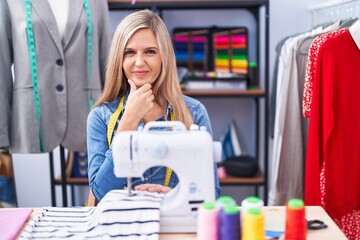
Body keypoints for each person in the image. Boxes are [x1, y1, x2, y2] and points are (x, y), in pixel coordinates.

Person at [87, 9, 220, 202]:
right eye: (129, 52)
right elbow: (100, 193)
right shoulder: (100, 117)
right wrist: (127, 123)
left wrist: (174, 195)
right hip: (123, 226)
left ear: (163, 56)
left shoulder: (194, 112)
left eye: (150, 52)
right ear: (119, 59)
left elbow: (211, 193)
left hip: (173, 225)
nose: (139, 62)